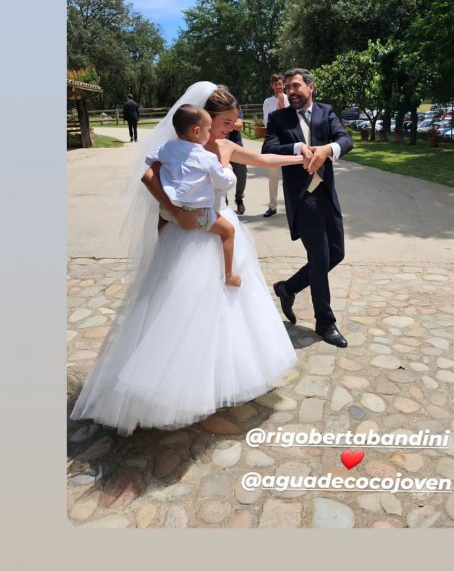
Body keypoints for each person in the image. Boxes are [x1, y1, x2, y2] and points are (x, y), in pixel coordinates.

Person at [70, 82, 302, 436]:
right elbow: (146, 175)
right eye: (225, 123)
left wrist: (302, 156)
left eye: (231, 124)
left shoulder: (222, 146)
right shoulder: (180, 148)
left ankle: (220, 379)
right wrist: (176, 211)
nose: (230, 130)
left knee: (227, 308)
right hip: (186, 235)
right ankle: (175, 388)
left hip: (218, 229)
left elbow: (265, 159)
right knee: (180, 310)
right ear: (204, 119)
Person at [262, 68, 353, 348]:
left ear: (311, 87)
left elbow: (346, 140)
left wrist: (328, 149)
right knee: (319, 256)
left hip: (327, 195)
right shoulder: (279, 118)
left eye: (296, 86)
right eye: (288, 87)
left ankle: (287, 288)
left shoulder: (326, 112)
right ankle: (325, 322)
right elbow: (269, 148)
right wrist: (298, 147)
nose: (291, 91)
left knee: (335, 254)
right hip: (304, 199)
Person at [146, 104, 241, 287]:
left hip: (168, 210)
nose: (209, 132)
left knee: (163, 222)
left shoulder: (166, 148)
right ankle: (229, 275)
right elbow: (222, 182)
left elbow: (150, 161)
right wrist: (227, 171)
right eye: (207, 129)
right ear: (197, 131)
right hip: (197, 212)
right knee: (228, 231)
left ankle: (164, 256)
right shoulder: (206, 157)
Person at [262, 73, 289, 217]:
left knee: (290, 175)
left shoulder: (291, 99)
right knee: (273, 176)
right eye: (275, 84)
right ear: (272, 86)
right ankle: (272, 206)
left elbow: (291, 119)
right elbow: (267, 122)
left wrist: (283, 105)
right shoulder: (267, 101)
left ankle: (293, 205)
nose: (278, 87)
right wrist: (278, 108)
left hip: (288, 141)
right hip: (274, 141)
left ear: (284, 85)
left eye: (280, 84)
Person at [227, 106, 247, 215]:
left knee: (241, 173)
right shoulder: (213, 108)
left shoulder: (235, 108)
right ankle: (223, 201)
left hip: (236, 144)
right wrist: (231, 123)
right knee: (220, 172)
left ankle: (239, 198)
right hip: (218, 143)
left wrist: (222, 122)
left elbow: (239, 126)